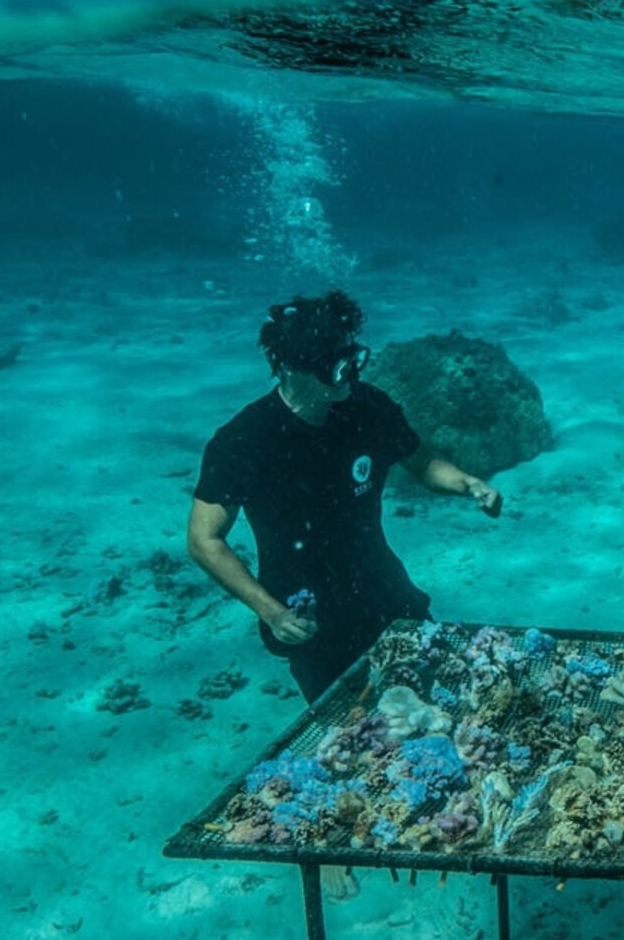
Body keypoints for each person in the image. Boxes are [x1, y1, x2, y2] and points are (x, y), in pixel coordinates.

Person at [187, 291, 503, 701]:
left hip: (385, 589)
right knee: (353, 728)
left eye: (352, 357)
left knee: (445, 692)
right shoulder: (242, 442)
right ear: (292, 369)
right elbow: (203, 540)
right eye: (335, 367)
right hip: (308, 615)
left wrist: (469, 484)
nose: (350, 374)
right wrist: (271, 612)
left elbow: (422, 464)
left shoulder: (368, 408)